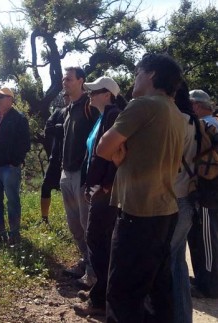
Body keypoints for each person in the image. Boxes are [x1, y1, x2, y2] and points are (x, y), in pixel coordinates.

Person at [96, 53, 185, 322]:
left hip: (138, 213)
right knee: (157, 292)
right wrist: (120, 157)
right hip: (166, 210)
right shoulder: (176, 114)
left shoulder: (142, 105)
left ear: (151, 76)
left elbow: (103, 148)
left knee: (123, 294)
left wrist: (116, 155)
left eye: (137, 73)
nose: (134, 80)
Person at [73, 76, 126, 317]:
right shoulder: (104, 116)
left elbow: (118, 151)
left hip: (105, 192)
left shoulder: (114, 115)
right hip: (98, 189)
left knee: (97, 241)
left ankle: (100, 301)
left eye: (96, 91)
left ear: (108, 94)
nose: (90, 94)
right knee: (99, 242)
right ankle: (101, 292)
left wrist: (105, 184)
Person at [60, 67, 99, 289]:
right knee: (74, 224)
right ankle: (85, 261)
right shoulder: (69, 108)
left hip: (83, 175)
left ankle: (94, 273)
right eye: (64, 78)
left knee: (87, 224)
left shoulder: (89, 105)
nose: (64, 82)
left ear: (81, 81)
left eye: (69, 78)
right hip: (67, 174)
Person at [167, 82, 197, 323]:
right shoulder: (194, 121)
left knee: (166, 262)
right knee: (177, 263)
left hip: (172, 198)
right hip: (188, 198)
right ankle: (183, 317)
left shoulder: (176, 120)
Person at [0, 87, 30, 245]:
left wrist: (14, 162)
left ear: (10, 99)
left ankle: (14, 234)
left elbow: (25, 143)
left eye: (1, 96)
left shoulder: (19, 118)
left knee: (12, 200)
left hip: (9, 168)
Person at [188, 89, 218, 298]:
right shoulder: (215, 123)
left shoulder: (204, 126)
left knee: (206, 240)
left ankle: (208, 285)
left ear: (196, 106)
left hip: (209, 193)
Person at [40, 93, 69, 224]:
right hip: (56, 157)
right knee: (46, 186)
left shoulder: (84, 111)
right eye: (65, 95)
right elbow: (48, 128)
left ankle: (73, 220)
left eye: (67, 95)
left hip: (74, 159)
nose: (66, 97)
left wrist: (60, 129)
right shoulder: (59, 112)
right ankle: (44, 219)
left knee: (72, 192)